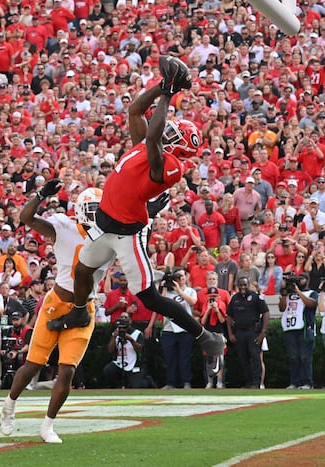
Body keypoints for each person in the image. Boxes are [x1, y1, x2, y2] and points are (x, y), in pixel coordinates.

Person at [59, 57, 224, 372]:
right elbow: (135, 110)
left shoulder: (170, 166)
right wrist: (161, 87)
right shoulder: (149, 146)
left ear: (180, 150)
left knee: (149, 298)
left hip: (127, 233)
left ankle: (206, 337)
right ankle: (80, 310)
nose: (169, 133)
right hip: (106, 224)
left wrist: (168, 96)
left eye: (175, 136)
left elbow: (152, 138)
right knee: (82, 271)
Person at [0, 183, 112, 444]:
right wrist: (41, 195)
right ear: (81, 211)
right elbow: (26, 218)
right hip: (56, 304)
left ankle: (48, 425)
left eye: (101, 209)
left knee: (68, 371)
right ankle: (9, 405)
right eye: (92, 209)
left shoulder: (111, 236)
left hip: (85, 309)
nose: (97, 214)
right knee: (33, 364)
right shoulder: (65, 226)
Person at [156, 269, 197, 389]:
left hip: (185, 329)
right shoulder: (168, 292)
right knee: (170, 357)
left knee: (184, 357)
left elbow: (192, 302)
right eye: (178, 276)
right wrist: (164, 288)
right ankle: (170, 382)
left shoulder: (190, 291)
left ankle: (186, 382)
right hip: (169, 328)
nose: (180, 278)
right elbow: (159, 304)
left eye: (182, 276)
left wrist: (179, 290)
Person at [226, 277, 270, 388]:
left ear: (248, 284)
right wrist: (230, 333)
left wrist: (263, 332)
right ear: (237, 286)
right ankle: (247, 382)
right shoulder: (234, 298)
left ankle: (256, 383)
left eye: (245, 285)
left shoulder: (256, 297)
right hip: (240, 332)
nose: (242, 287)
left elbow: (265, 313)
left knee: (255, 358)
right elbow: (229, 316)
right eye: (240, 285)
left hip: (253, 332)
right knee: (243, 358)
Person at [278, 272, 317, 389]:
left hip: (305, 328)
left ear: (307, 280)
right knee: (293, 357)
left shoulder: (311, 293)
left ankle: (307, 382)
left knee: (305, 357)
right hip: (290, 328)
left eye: (302, 279)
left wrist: (298, 292)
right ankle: (295, 382)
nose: (299, 281)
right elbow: (281, 308)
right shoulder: (288, 293)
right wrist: (285, 293)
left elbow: (312, 304)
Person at [103, 311, 153, 388]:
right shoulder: (116, 332)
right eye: (121, 317)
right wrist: (114, 337)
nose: (123, 319)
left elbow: (140, 349)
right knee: (108, 370)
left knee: (137, 385)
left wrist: (131, 339)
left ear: (130, 321)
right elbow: (110, 350)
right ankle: (118, 385)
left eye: (125, 318)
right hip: (120, 363)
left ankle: (146, 381)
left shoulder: (137, 333)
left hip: (133, 364)